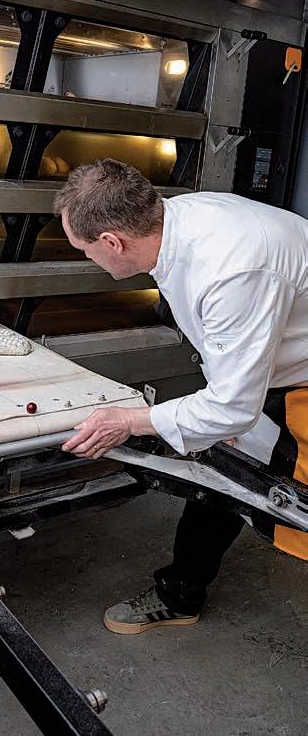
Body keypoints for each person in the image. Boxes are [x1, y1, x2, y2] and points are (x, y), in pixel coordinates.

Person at [55, 159, 308, 635]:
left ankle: (180, 591)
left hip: (301, 380)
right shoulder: (174, 223)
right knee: (223, 472)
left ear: (112, 241)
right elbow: (225, 354)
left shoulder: (229, 269)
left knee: (292, 502)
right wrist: (218, 418)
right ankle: (180, 593)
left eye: (85, 250)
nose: (88, 259)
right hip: (273, 366)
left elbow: (233, 403)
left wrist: (130, 421)